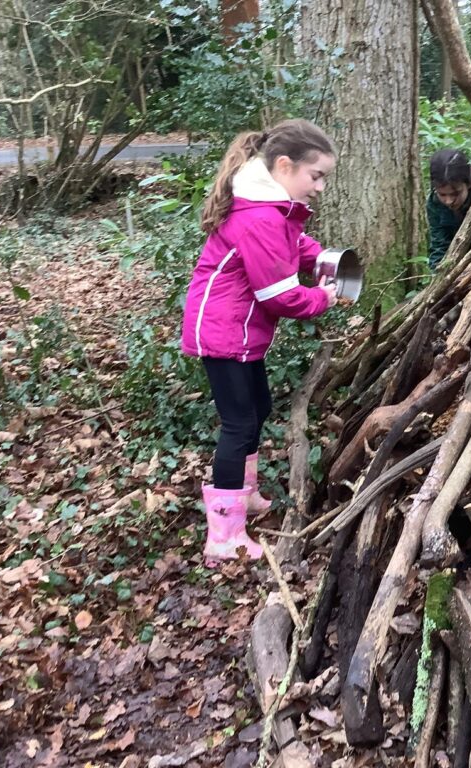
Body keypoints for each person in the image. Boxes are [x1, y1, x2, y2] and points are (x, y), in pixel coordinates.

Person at [180, 119, 338, 566]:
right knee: (238, 423)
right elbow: (278, 295)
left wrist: (324, 258)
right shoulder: (261, 215)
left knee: (258, 410)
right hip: (222, 330)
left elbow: (294, 244)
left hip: (238, 330)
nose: (320, 187)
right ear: (284, 165)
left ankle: (242, 494)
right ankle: (224, 535)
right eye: (316, 175)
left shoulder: (271, 204)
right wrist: (323, 296)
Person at [426, 148, 471, 271]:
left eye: (455, 194)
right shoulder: (434, 203)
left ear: (469, 183)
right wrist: (437, 273)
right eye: (442, 194)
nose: (448, 201)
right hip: (456, 265)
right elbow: (439, 244)